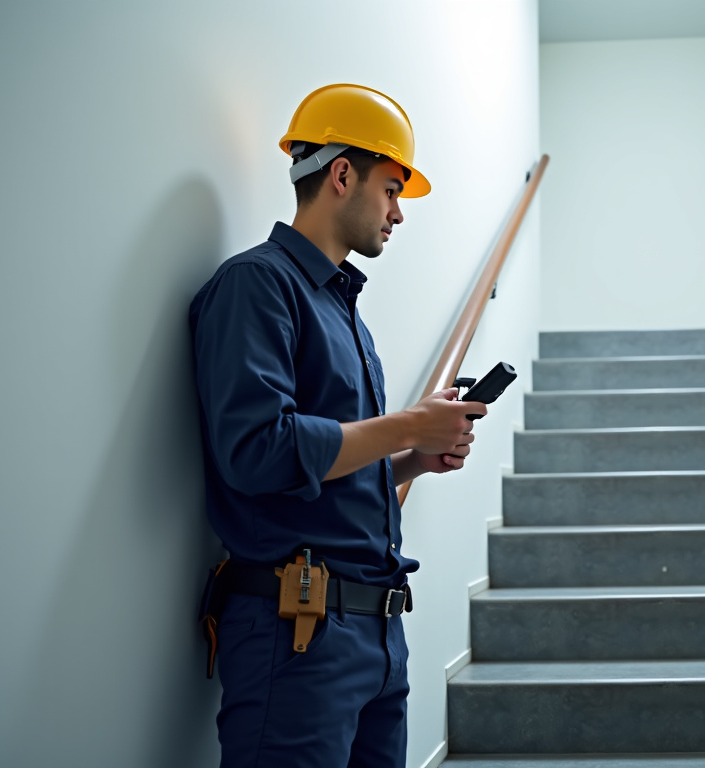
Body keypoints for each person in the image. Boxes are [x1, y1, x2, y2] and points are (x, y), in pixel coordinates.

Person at [189, 83, 485, 767]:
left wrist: (414, 457)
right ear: (341, 175)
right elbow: (259, 452)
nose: (398, 213)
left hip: (377, 634)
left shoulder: (345, 313)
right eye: (391, 188)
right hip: (299, 635)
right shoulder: (256, 286)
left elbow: (327, 469)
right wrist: (410, 422)